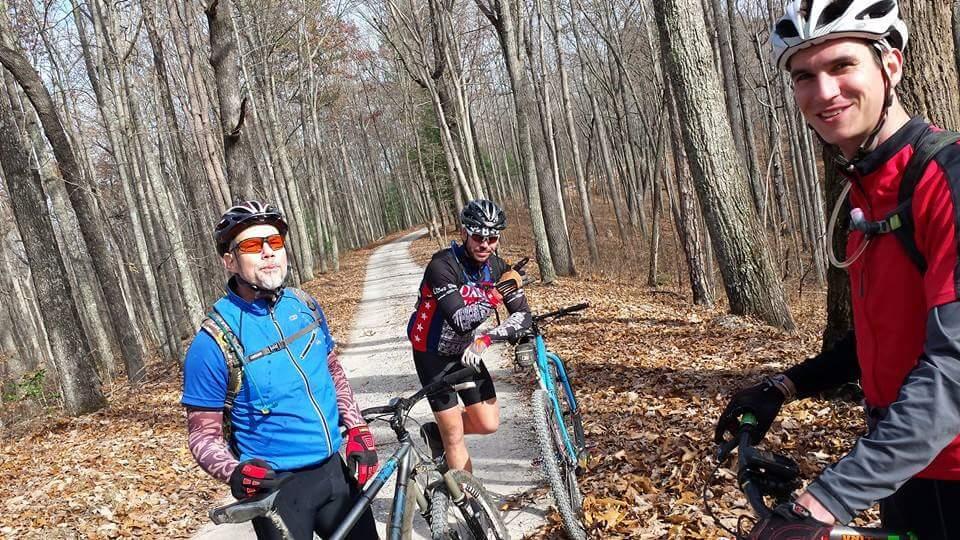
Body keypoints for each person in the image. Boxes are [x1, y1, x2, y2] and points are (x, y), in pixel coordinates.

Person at [715, 1, 960, 538]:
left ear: (890, 66)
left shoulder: (945, 178)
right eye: (805, 75)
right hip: (907, 470)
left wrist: (827, 501)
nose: (824, 92)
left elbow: (954, 366)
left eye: (842, 66)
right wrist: (785, 385)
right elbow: (883, 336)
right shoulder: (864, 196)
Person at [181, 201, 379, 540]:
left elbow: (333, 372)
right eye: (252, 246)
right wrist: (235, 472)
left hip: (334, 471)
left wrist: (357, 428)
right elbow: (202, 436)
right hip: (278, 492)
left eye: (274, 242)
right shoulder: (212, 343)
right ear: (229, 261)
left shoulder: (304, 306)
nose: (268, 252)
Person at [408, 199, 531, 472]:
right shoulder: (441, 266)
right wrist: (497, 294)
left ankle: (435, 433)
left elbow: (523, 316)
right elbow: (461, 320)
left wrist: (487, 339)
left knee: (488, 423)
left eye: (492, 238)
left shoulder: (498, 266)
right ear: (464, 233)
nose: (485, 245)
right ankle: (470, 504)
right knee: (454, 437)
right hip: (432, 354)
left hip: (466, 352)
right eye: (478, 237)